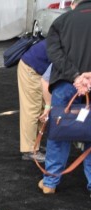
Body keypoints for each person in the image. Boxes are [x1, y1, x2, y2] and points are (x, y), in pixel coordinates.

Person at [39, 0, 91, 195]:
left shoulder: (61, 22)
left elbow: (54, 54)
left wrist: (76, 76)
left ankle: (50, 182)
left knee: (59, 132)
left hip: (65, 84)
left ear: (74, 3)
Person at [17, 40, 50, 161]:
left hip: (39, 68)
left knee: (41, 108)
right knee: (32, 109)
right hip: (31, 68)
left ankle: (35, 144)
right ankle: (29, 150)